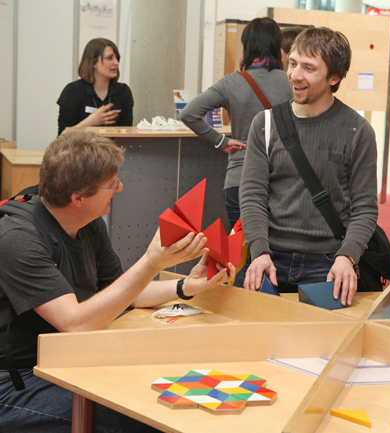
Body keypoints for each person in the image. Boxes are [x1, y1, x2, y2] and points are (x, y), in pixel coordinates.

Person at [0, 131, 235, 432]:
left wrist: (186, 287)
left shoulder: (89, 223)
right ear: (79, 197)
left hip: (64, 359)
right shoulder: (17, 239)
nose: (120, 188)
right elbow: (75, 323)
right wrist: (152, 262)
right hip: (19, 379)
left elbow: (123, 294)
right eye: (112, 185)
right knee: (143, 418)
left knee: (165, 396)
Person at [238, 27, 378, 307]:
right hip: (270, 258)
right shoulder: (265, 124)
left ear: (334, 77)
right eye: (292, 63)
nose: (294, 75)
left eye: (309, 68)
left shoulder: (356, 130)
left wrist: (346, 257)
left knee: (322, 347)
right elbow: (253, 195)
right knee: (255, 342)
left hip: (328, 263)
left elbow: (365, 207)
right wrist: (259, 251)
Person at [181, 17, 292, 230]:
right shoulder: (291, 83)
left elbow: (188, 113)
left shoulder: (230, 82)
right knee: (276, 256)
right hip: (281, 183)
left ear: (247, 46)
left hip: (239, 181)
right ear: (277, 46)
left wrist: (221, 141)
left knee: (241, 254)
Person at [57, 38, 133, 136]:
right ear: (93, 63)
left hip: (113, 150)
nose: (116, 63)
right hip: (80, 150)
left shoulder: (123, 92)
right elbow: (62, 138)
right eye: (109, 58)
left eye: (116, 58)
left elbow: (129, 135)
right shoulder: (73, 91)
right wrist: (90, 122)